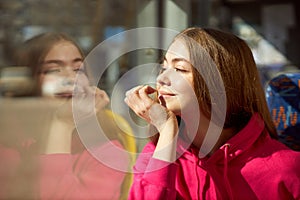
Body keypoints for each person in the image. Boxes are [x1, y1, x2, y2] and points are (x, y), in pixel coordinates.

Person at [125, 27, 300, 199]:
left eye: (180, 69)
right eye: (164, 68)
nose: (161, 79)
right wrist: (167, 130)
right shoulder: (159, 153)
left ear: (218, 83)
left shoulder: (286, 167)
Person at [0, 32, 134, 199]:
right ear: (27, 83)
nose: (71, 78)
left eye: (78, 69)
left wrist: (62, 124)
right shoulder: (9, 145)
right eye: (53, 70)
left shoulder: (105, 152)